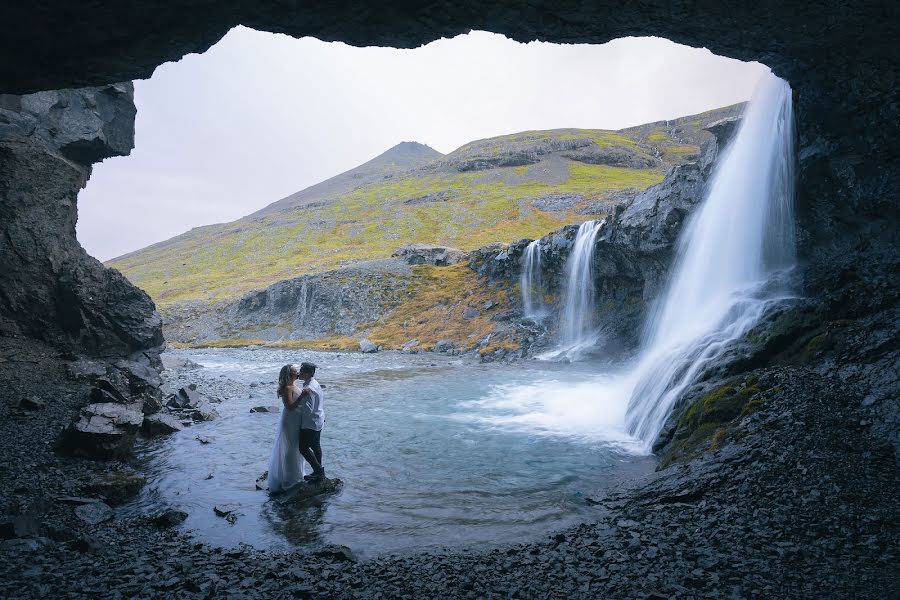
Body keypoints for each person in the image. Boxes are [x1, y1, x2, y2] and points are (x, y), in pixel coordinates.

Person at [266, 364, 306, 493]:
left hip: (297, 419)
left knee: (297, 447)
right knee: (290, 447)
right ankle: (289, 478)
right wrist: (302, 396)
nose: (298, 373)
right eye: (295, 372)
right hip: (290, 420)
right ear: (289, 374)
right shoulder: (287, 388)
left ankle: (298, 475)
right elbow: (290, 406)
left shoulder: (294, 386)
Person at [295, 362, 326, 482]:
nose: (299, 373)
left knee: (303, 448)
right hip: (319, 419)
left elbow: (308, 409)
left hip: (310, 422)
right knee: (316, 446)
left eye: (301, 371)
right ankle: (318, 471)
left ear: (307, 374)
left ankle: (318, 472)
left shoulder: (308, 389)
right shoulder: (314, 383)